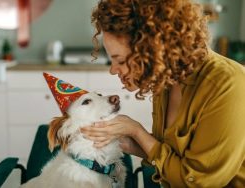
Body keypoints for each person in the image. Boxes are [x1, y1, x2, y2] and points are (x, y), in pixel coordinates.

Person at [80, 0, 245, 187]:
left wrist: (137, 131)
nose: (113, 70)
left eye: (121, 60)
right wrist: (131, 143)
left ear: (154, 50)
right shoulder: (166, 80)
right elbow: (174, 156)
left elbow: (198, 182)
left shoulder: (228, 85)